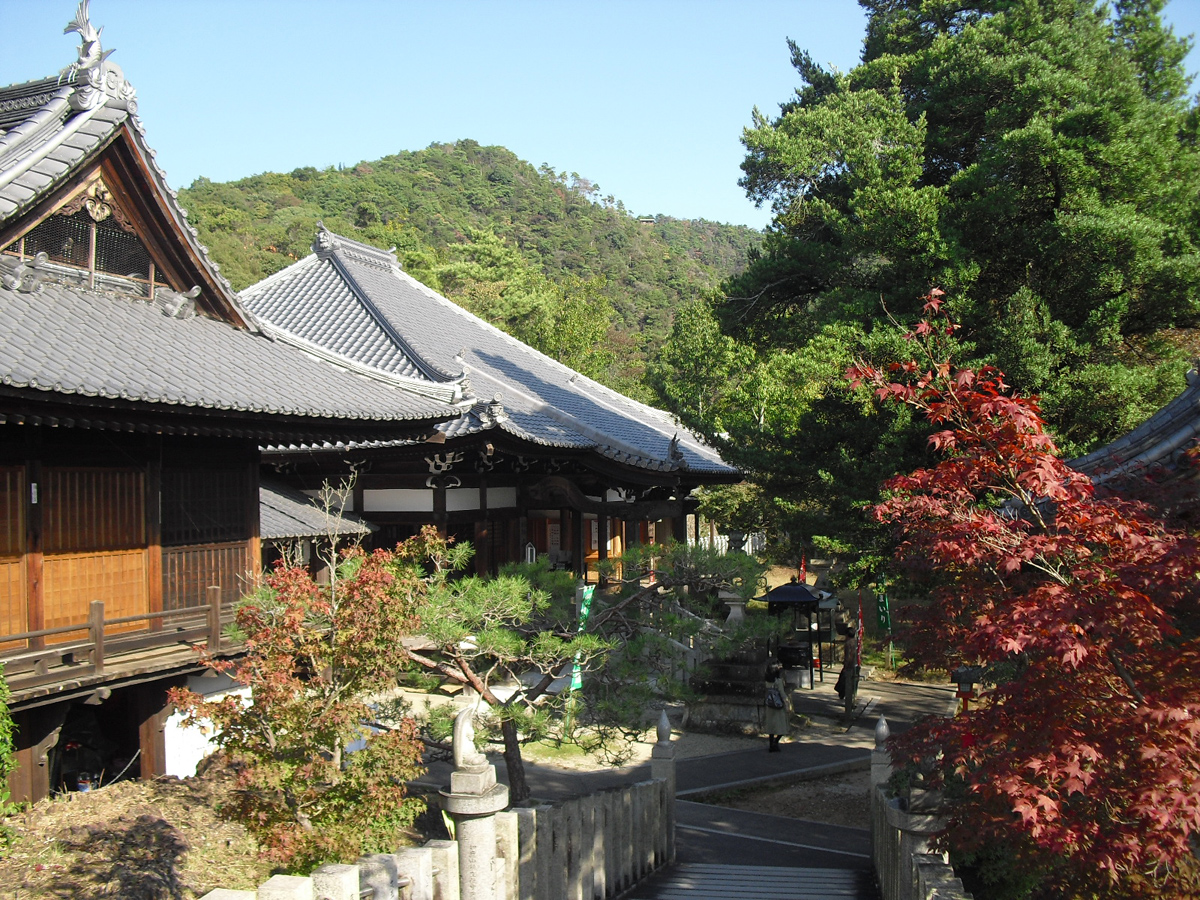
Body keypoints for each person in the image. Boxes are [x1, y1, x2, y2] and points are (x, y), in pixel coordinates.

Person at [762, 659, 791, 752]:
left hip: (769, 704)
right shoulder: (778, 681)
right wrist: (787, 703)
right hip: (778, 705)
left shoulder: (767, 681)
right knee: (781, 726)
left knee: (771, 727)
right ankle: (776, 742)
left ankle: (771, 744)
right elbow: (782, 693)